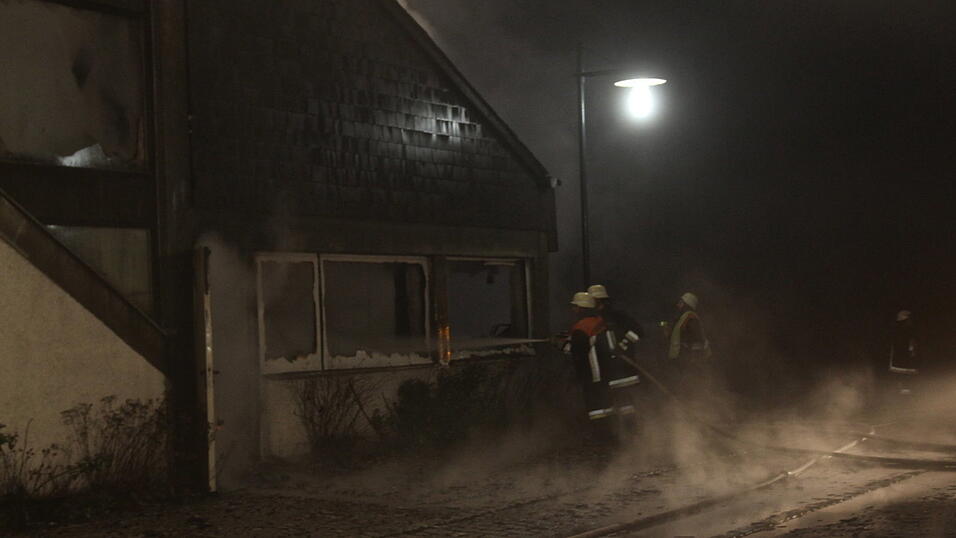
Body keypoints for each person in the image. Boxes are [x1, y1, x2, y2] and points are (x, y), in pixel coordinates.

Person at [588, 284, 643, 431]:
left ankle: (631, 432)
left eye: (592, 300)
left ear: (599, 300)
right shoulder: (594, 320)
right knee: (611, 404)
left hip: (623, 369)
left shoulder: (618, 316)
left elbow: (638, 331)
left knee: (626, 403)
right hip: (608, 371)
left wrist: (623, 345)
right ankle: (617, 435)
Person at [566, 292, 615, 436]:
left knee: (594, 406)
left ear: (582, 308)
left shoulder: (581, 327)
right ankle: (611, 430)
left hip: (591, 372)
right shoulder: (600, 321)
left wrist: (562, 346)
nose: (573, 310)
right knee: (606, 402)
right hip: (606, 370)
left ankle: (599, 433)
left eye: (575, 307)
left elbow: (578, 353)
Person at [663, 292, 711, 394]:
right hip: (682, 357)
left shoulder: (691, 318)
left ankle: (687, 402)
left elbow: (697, 339)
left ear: (686, 304)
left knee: (688, 383)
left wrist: (693, 358)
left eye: (680, 302)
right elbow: (677, 337)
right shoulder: (683, 318)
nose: (677, 305)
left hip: (687, 358)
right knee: (682, 383)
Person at [888, 310, 919, 395]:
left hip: (905, 352)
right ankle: (902, 388)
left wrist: (912, 348)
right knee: (900, 371)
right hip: (901, 352)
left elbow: (912, 339)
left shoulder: (907, 327)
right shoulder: (900, 327)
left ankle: (905, 388)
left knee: (906, 371)